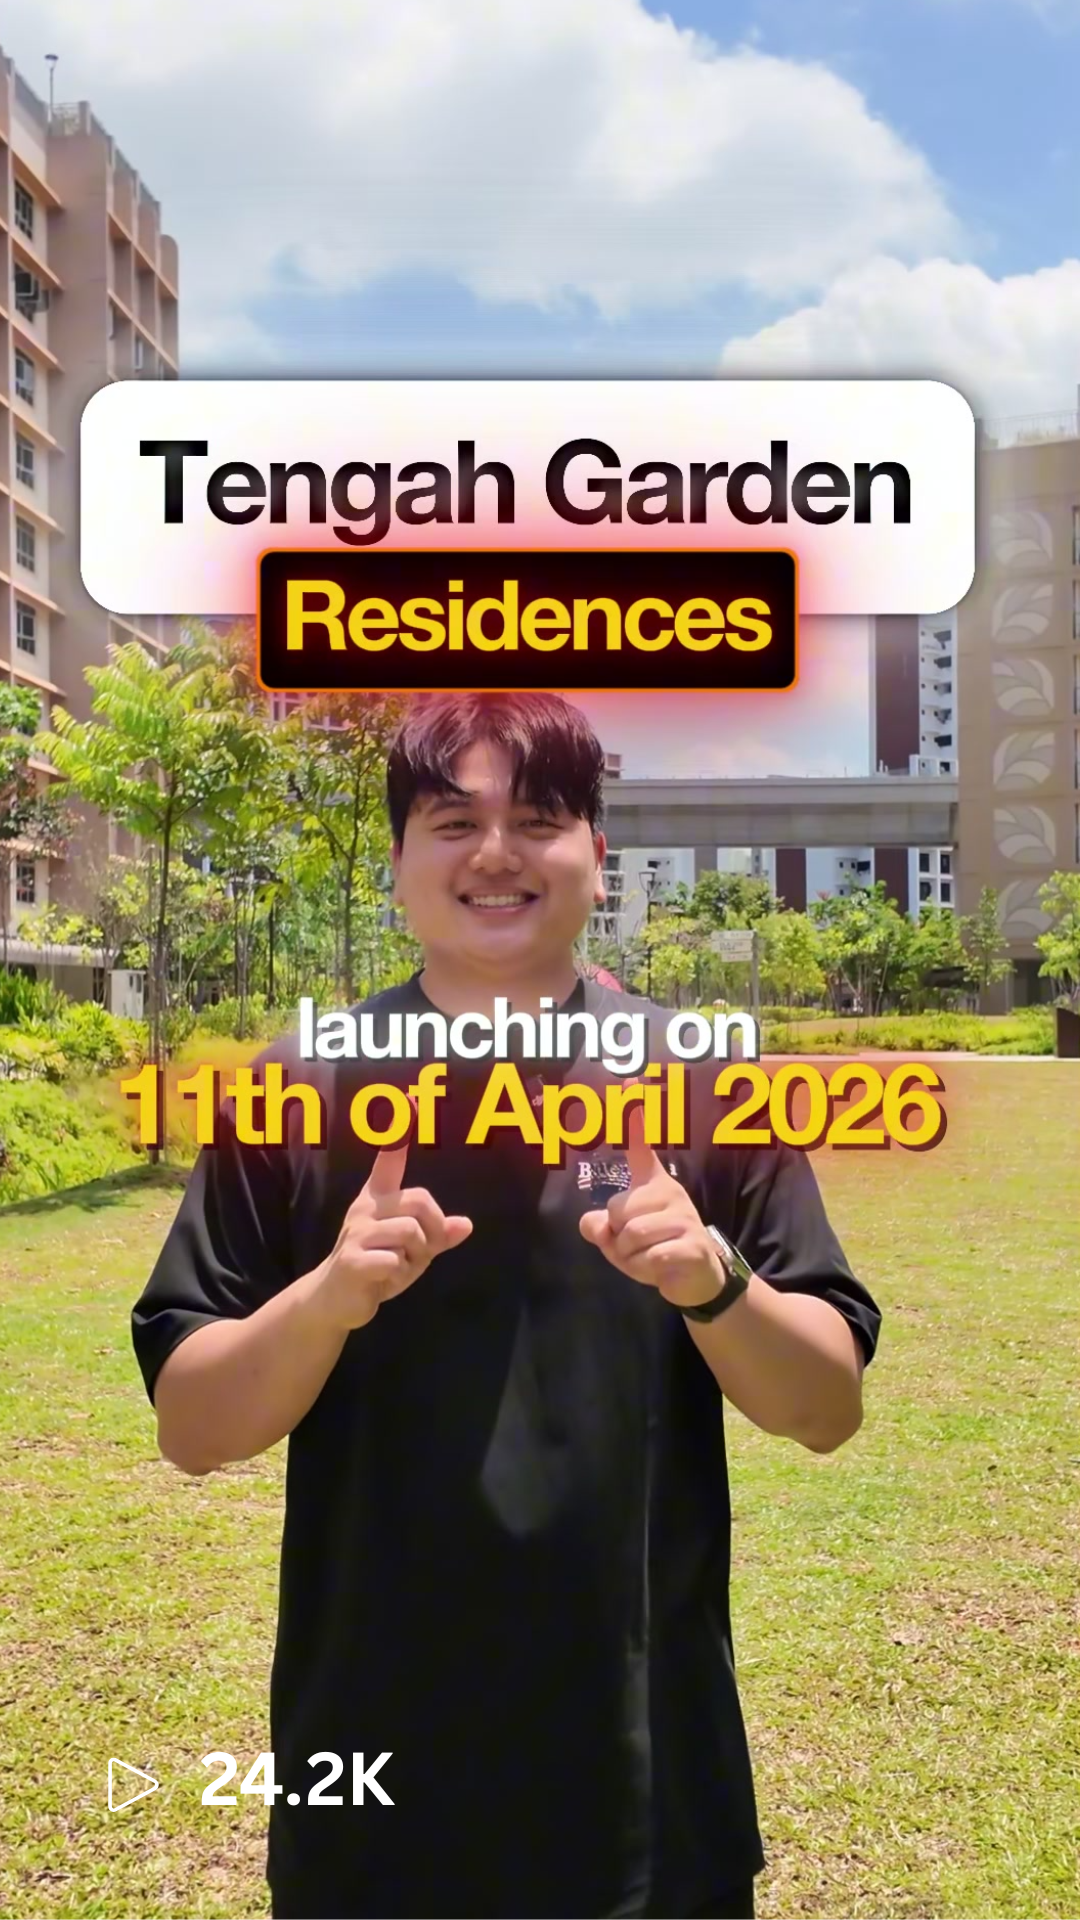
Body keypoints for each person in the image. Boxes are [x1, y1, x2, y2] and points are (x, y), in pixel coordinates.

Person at [132, 691, 882, 1920]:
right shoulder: (296, 1089)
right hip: (369, 1776)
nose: (495, 854)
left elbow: (826, 1408)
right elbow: (192, 1428)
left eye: (538, 818)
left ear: (597, 853)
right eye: (452, 820)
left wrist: (714, 1281)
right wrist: (325, 1299)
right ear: (396, 866)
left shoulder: (703, 1079)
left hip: (647, 1784)